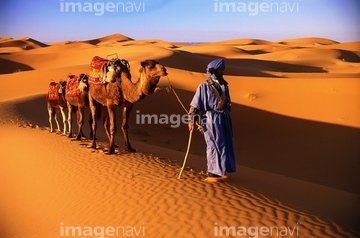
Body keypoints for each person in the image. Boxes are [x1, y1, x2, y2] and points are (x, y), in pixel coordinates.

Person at [188, 59, 236, 182]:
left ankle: (221, 170)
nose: (222, 71)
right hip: (210, 119)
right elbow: (195, 105)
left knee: (225, 143)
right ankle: (213, 172)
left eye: (223, 69)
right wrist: (192, 120)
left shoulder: (224, 85)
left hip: (224, 118)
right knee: (213, 144)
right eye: (220, 69)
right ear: (214, 70)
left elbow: (228, 102)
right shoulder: (204, 86)